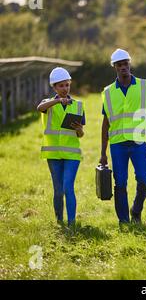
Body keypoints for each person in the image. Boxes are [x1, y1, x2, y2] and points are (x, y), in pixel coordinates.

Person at [100, 48, 146, 226]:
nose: (123, 67)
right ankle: (124, 221)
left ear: (129, 64)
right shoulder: (108, 92)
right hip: (117, 145)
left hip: (139, 143)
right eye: (119, 64)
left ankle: (136, 210)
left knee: (143, 180)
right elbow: (105, 123)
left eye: (126, 63)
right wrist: (103, 152)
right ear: (115, 67)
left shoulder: (144, 86)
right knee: (120, 184)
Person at [37, 67, 85, 227]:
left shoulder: (78, 105)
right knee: (58, 191)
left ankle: (71, 223)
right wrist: (58, 101)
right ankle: (59, 221)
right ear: (54, 88)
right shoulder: (48, 104)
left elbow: (80, 134)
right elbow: (39, 108)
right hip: (53, 155)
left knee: (67, 187)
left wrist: (79, 130)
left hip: (72, 155)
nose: (65, 88)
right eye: (61, 86)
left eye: (67, 85)